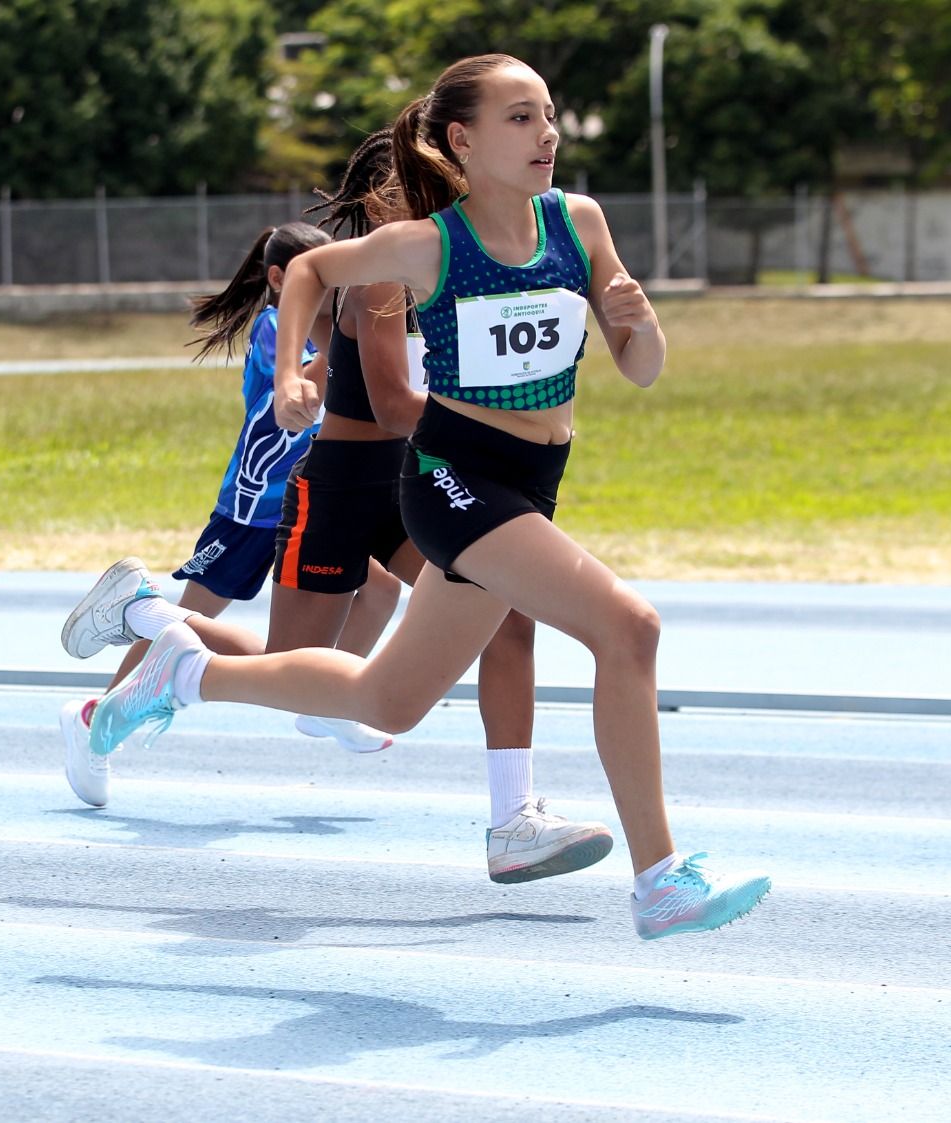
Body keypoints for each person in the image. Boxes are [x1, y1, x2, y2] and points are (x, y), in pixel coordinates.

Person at [85, 55, 772, 939]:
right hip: (455, 480)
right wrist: (297, 374)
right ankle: (661, 881)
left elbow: (639, 370)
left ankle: (184, 672)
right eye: (521, 119)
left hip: (532, 482)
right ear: (464, 139)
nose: (547, 134)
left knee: (386, 701)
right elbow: (306, 273)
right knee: (629, 626)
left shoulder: (580, 223)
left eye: (549, 116)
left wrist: (643, 325)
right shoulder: (432, 246)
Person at [66, 129, 616, 886]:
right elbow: (391, 403)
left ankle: (512, 817)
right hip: (344, 483)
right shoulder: (389, 272)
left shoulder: (469, 257)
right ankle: (151, 617)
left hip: (421, 476)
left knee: (510, 617)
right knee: (298, 663)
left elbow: (353, 362)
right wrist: (492, 434)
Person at [59, 222, 400, 807]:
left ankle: (328, 699)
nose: (331, 282)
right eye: (318, 273)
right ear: (279, 279)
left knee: (381, 591)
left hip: (312, 502)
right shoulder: (276, 330)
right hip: (255, 507)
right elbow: (308, 389)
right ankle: (96, 718)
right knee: (191, 619)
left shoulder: (338, 325)